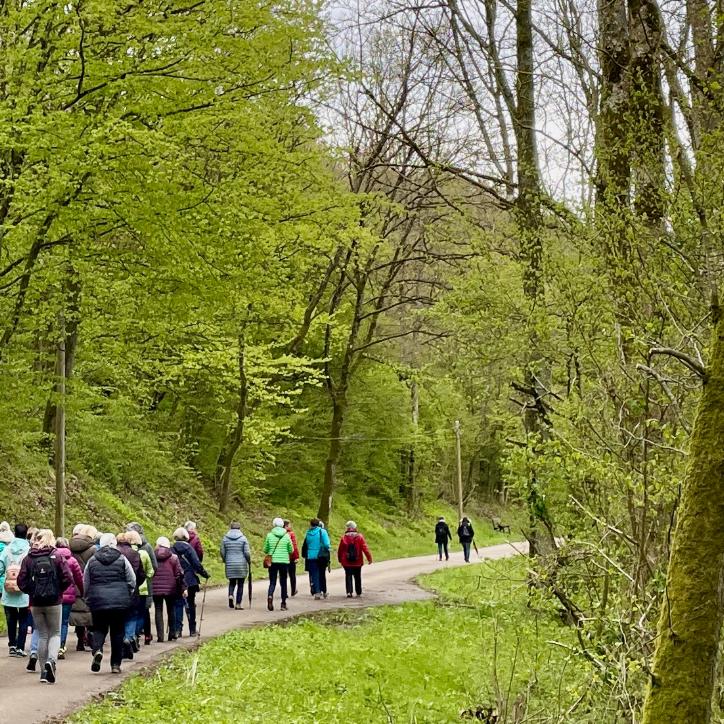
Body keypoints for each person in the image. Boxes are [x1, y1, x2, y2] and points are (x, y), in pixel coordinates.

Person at [18, 529, 73, 684]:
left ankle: (43, 672)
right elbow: (68, 577)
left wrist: (32, 591)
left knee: (42, 634)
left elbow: (21, 581)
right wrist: (58, 591)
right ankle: (51, 661)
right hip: (54, 601)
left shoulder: (29, 558)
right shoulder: (57, 557)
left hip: (36, 602)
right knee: (55, 633)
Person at [84, 533, 136, 675]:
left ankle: (98, 650)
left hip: (98, 601)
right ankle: (115, 664)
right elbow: (132, 579)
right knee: (118, 632)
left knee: (100, 629)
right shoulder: (122, 559)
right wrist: (127, 593)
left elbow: (86, 581)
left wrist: (88, 597)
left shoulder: (92, 560)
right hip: (119, 602)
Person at [0, 523, 31, 657]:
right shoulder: (29, 550)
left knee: (11, 618)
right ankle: (20, 647)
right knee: (23, 618)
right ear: (26, 534)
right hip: (24, 589)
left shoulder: (6, 550)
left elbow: (0, 568)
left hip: (9, 589)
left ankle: (12, 645)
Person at [172, 527, 209, 636]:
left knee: (178, 604)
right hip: (190, 579)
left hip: (178, 580)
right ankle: (192, 629)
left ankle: (178, 629)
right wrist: (204, 574)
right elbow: (196, 563)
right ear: (186, 537)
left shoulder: (172, 548)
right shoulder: (188, 548)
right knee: (191, 604)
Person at [126, 522, 158, 644]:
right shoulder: (147, 547)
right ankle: (140, 635)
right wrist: (147, 577)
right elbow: (154, 566)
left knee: (136, 611)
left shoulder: (126, 548)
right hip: (145, 585)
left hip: (133, 586)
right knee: (143, 611)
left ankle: (135, 634)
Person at [116, 531, 146, 659]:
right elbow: (141, 574)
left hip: (117, 591)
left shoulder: (114, 553)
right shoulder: (135, 554)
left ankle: (122, 640)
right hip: (132, 591)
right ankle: (128, 637)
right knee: (132, 616)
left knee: (119, 618)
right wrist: (136, 585)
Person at [69, 523, 99, 651]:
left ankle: (80, 641)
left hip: (74, 583)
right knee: (89, 613)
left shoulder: (70, 547)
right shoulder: (93, 550)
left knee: (78, 612)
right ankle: (91, 639)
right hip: (89, 584)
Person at [54, 537, 84, 659]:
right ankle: (61, 646)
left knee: (54, 622)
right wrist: (82, 592)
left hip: (55, 595)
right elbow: (79, 578)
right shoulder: (72, 560)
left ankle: (53, 646)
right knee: (64, 622)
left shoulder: (53, 558)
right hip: (68, 596)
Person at [152, 536, 184, 642]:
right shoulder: (173, 557)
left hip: (156, 587)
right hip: (171, 588)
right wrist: (182, 587)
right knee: (171, 609)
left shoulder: (153, 556)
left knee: (158, 610)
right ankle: (172, 633)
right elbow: (178, 573)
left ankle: (160, 636)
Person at [263, 517, 292, 611]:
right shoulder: (287, 535)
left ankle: (270, 596)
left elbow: (265, 549)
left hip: (273, 562)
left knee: (272, 582)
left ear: (274, 525)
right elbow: (291, 549)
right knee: (283, 583)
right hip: (284, 562)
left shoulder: (269, 535)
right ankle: (283, 603)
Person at [337, 521, 373, 598]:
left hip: (346, 562)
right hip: (358, 561)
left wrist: (340, 559)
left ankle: (349, 592)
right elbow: (365, 548)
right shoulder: (359, 537)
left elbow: (340, 550)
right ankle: (358, 592)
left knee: (348, 576)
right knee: (357, 576)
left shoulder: (344, 537)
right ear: (355, 528)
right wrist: (369, 558)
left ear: (347, 528)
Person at [220, 522, 251, 610]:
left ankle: (230, 595)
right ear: (239, 528)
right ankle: (238, 604)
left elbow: (222, 551)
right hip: (241, 564)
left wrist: (225, 559)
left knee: (232, 582)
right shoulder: (243, 538)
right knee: (240, 584)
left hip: (230, 563)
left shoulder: (225, 539)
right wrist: (249, 561)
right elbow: (247, 553)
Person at [301, 519, 330, 601]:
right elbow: (327, 544)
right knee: (322, 574)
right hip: (321, 556)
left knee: (314, 575)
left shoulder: (308, 533)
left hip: (311, 556)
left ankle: (317, 592)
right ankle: (324, 591)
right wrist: (327, 549)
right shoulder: (322, 531)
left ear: (311, 524)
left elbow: (307, 544)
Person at [284, 520, 299, 597]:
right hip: (291, 557)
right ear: (286, 526)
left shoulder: (280, 534)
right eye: (289, 525)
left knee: (283, 575)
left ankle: (284, 592)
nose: (290, 526)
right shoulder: (291, 534)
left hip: (282, 558)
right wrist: (296, 556)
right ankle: (293, 590)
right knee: (292, 574)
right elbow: (294, 546)